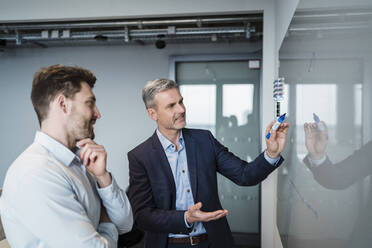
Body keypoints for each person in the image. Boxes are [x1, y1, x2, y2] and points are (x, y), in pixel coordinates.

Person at [127, 78, 289, 248]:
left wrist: (271, 153)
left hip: (212, 241)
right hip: (169, 244)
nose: (181, 109)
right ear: (153, 114)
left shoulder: (204, 140)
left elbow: (245, 175)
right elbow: (142, 216)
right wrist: (185, 218)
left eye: (181, 102)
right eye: (171, 106)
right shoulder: (140, 156)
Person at [0, 65, 133, 247]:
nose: (98, 114)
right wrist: (106, 222)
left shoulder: (81, 162)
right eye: (90, 103)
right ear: (63, 104)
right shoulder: (36, 172)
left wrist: (103, 178)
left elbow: (125, 225)